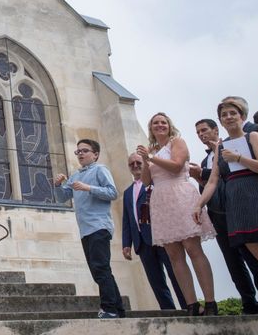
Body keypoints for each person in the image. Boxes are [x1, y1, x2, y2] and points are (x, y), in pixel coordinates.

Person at [195, 99, 258, 335]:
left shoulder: (252, 137)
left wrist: (239, 159)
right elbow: (213, 180)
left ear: (241, 116)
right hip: (235, 201)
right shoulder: (220, 146)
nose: (229, 117)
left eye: (233, 113)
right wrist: (200, 203)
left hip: (257, 194)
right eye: (225, 114)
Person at [137, 113, 217, 316]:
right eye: (156, 123)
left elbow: (177, 166)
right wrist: (146, 160)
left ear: (169, 125)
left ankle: (210, 302)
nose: (160, 125)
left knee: (192, 248)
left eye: (163, 122)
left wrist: (152, 157)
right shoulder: (152, 150)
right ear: (151, 128)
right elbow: (146, 181)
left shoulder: (176, 142)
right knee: (173, 255)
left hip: (180, 194)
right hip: (161, 200)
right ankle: (191, 304)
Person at [54, 139, 125, 319]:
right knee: (99, 270)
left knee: (100, 268)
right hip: (85, 229)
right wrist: (58, 185)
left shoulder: (100, 170)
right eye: (78, 152)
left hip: (99, 226)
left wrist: (89, 188)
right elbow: (62, 197)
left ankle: (108, 308)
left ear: (95, 154)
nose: (81, 154)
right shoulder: (75, 175)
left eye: (85, 151)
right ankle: (118, 310)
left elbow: (112, 193)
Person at [121, 153, 186, 310]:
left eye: (138, 162)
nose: (135, 166)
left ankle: (188, 306)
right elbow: (127, 220)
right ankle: (168, 310)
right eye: (131, 164)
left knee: (176, 274)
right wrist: (126, 243)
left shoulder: (155, 183)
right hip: (142, 242)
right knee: (156, 281)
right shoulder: (127, 192)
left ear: (145, 163)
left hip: (162, 236)